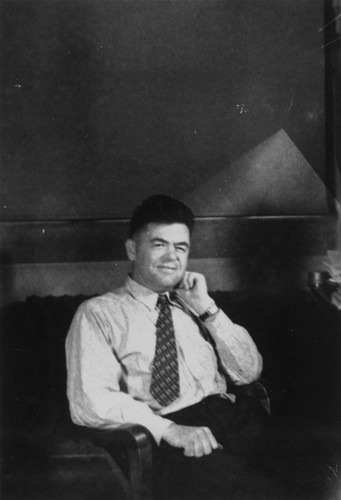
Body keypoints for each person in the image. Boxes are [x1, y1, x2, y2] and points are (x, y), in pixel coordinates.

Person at [65, 194, 286, 499]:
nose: (172, 257)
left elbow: (248, 372)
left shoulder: (195, 304)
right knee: (260, 493)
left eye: (181, 247)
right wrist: (168, 430)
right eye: (160, 245)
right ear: (132, 249)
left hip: (236, 417)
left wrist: (207, 309)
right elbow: (89, 401)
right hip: (173, 435)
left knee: (319, 467)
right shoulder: (99, 313)